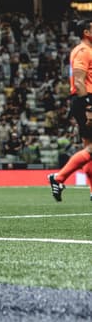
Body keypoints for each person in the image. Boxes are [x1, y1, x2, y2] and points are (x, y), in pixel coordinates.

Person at [48, 19, 92, 201]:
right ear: (86, 32)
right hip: (86, 100)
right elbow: (80, 81)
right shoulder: (83, 51)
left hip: (85, 100)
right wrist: (89, 107)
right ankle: (58, 178)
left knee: (89, 149)